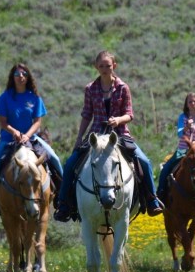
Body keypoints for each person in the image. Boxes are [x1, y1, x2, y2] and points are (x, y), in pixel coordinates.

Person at [53, 50, 164, 222]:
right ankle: (64, 205)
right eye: (101, 66)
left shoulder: (123, 88)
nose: (105, 69)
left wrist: (118, 120)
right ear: (96, 67)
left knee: (144, 162)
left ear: (114, 66)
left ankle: (151, 200)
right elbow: (86, 114)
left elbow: (129, 114)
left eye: (108, 65)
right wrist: (79, 138)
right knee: (70, 165)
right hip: (95, 135)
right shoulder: (90, 88)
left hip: (119, 135)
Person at [0, 63, 64, 216]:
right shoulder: (5, 98)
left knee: (55, 159)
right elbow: (3, 123)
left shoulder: (34, 97)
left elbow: (37, 122)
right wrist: (15, 132)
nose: (20, 77)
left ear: (28, 77)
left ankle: (62, 198)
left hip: (32, 138)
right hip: (8, 139)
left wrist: (27, 135)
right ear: (12, 77)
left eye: (24, 74)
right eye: (17, 74)